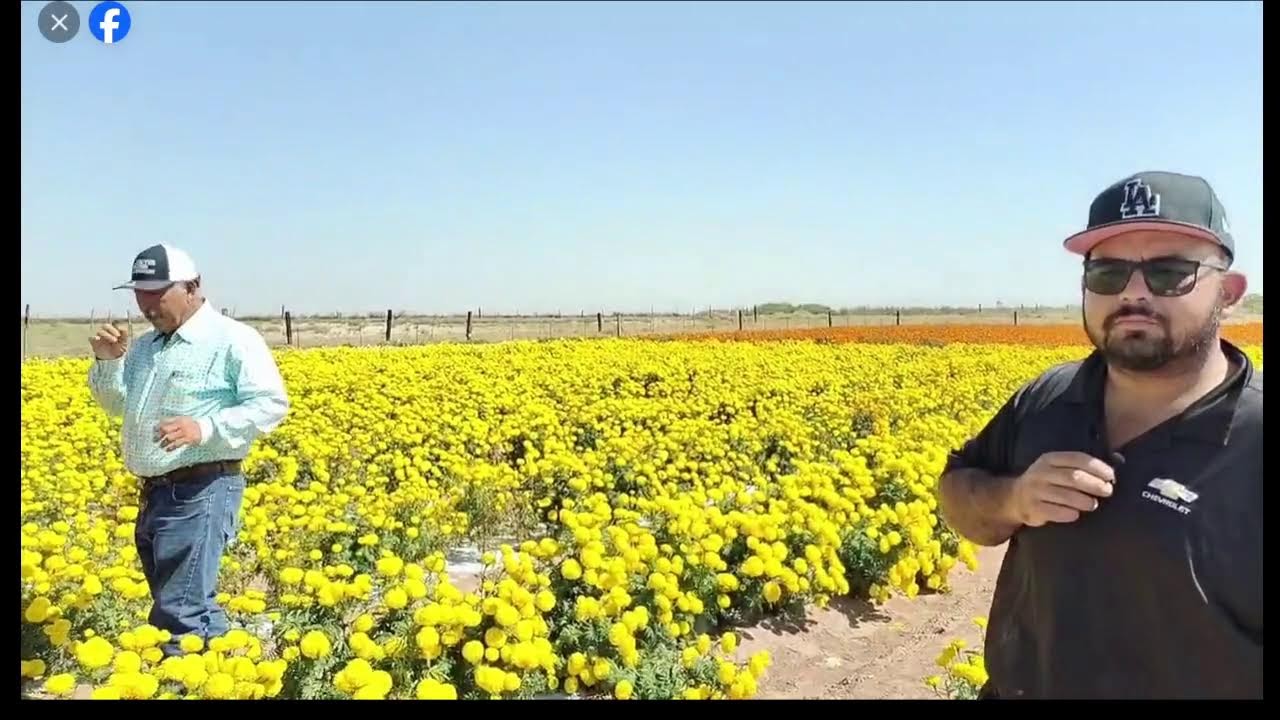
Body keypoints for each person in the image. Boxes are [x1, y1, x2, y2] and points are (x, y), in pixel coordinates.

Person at [937, 171, 1262, 699]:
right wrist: (1013, 499)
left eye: (1169, 273)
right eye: (1108, 273)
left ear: (1229, 293)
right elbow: (957, 495)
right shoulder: (1047, 398)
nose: (1133, 293)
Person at [88, 244, 289, 656]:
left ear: (193, 287)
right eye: (139, 293)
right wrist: (108, 363)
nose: (146, 305)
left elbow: (271, 404)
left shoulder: (232, 339)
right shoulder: (145, 347)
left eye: (157, 293)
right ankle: (228, 673)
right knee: (188, 604)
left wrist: (205, 427)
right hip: (156, 493)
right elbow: (118, 406)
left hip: (202, 491)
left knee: (178, 612)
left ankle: (180, 679)